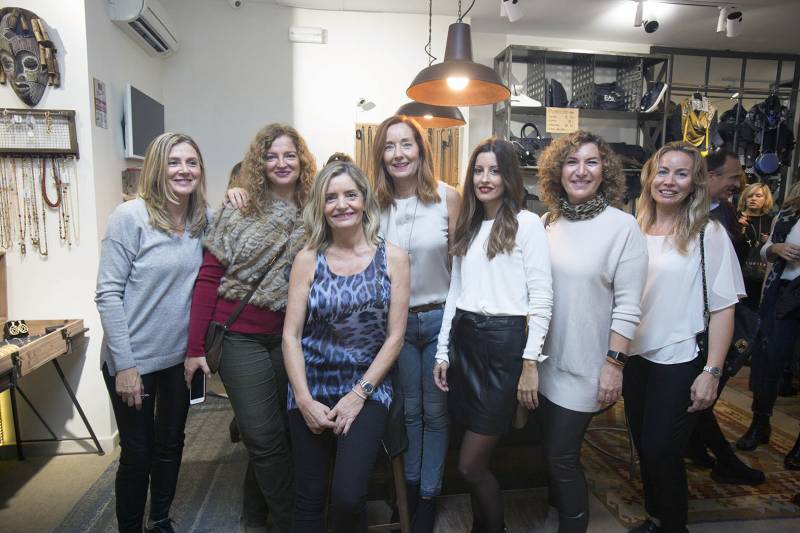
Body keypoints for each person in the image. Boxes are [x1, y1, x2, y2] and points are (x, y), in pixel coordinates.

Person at [185, 124, 316, 533]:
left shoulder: (316, 213)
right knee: (261, 435)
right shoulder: (237, 208)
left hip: (289, 340)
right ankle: (289, 521)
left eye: (289, 155)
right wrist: (194, 347)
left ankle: (254, 515)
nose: (281, 163)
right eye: (272, 156)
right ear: (259, 163)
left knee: (278, 432)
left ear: (302, 161)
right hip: (239, 335)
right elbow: (208, 277)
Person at [282, 161, 410, 532]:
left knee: (349, 496)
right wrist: (304, 401)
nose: (342, 205)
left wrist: (358, 395)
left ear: (364, 199)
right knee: (308, 496)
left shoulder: (394, 258)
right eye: (331, 197)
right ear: (320, 206)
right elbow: (290, 336)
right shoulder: (308, 259)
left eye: (350, 195)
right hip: (312, 383)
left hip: (367, 385)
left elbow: (395, 338)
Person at [434, 138, 553, 533]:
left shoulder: (528, 223)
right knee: (471, 459)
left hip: (504, 346)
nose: (485, 179)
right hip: (465, 342)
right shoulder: (468, 224)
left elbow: (542, 298)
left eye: (495, 170)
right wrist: (442, 352)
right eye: (479, 170)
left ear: (509, 176)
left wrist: (530, 363)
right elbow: (456, 292)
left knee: (471, 464)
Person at [626, 141, 744, 533]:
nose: (670, 181)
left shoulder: (707, 233)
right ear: (649, 177)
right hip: (634, 357)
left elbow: (724, 307)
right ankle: (656, 519)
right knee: (646, 448)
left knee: (663, 450)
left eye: (681, 174)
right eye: (663, 171)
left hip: (679, 357)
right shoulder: (634, 227)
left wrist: (711, 370)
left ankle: (674, 526)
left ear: (695, 184)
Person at [95, 132, 210, 533]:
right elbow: (107, 293)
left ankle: (160, 518)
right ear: (157, 169)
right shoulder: (129, 217)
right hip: (134, 360)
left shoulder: (201, 220)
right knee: (138, 453)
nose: (184, 170)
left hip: (178, 358)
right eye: (174, 162)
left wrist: (237, 194)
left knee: (171, 445)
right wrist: (125, 365)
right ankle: (130, 527)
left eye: (191, 162)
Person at [536, 130, 648, 533]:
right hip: (545, 363)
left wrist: (614, 365)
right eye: (571, 162)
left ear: (606, 171)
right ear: (556, 171)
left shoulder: (623, 227)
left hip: (588, 365)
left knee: (561, 456)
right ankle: (556, 512)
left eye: (591, 162)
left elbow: (629, 305)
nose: (580, 171)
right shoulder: (547, 222)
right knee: (548, 453)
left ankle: (573, 525)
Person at [372, 115, 460, 532]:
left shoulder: (448, 198)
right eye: (390, 146)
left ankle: (428, 497)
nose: (399, 153)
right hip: (397, 326)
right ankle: (406, 494)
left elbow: (460, 268)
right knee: (408, 412)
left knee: (436, 414)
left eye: (406, 144)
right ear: (381, 155)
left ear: (421, 150)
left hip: (440, 318)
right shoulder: (372, 203)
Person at [682, 148, 764, 486]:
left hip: (715, 319)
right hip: (687, 324)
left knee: (701, 393)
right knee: (694, 399)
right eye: (732, 176)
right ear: (710, 176)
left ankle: (708, 452)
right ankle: (717, 456)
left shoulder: (727, 214)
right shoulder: (679, 210)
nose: (738, 183)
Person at [736, 182, 800, 469]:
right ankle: (760, 423)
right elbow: (764, 252)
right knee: (768, 363)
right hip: (781, 296)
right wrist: (775, 247)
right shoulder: (787, 214)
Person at [736, 182, 774, 310]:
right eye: (750, 196)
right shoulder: (735, 217)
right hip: (737, 271)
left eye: (758, 196)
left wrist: (769, 241)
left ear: (765, 199)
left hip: (760, 275)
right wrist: (739, 229)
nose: (753, 199)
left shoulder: (771, 220)